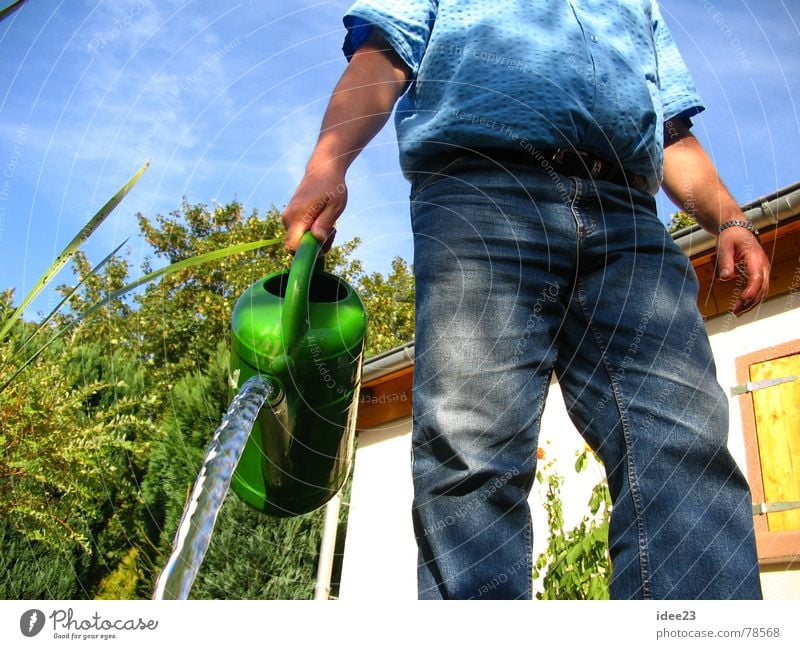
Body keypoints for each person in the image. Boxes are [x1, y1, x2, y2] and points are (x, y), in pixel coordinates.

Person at [282, 0, 770, 599]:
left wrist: (728, 220)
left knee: (684, 443)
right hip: (483, 192)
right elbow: (383, 54)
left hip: (629, 216)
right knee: (472, 457)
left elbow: (669, 130)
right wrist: (326, 165)